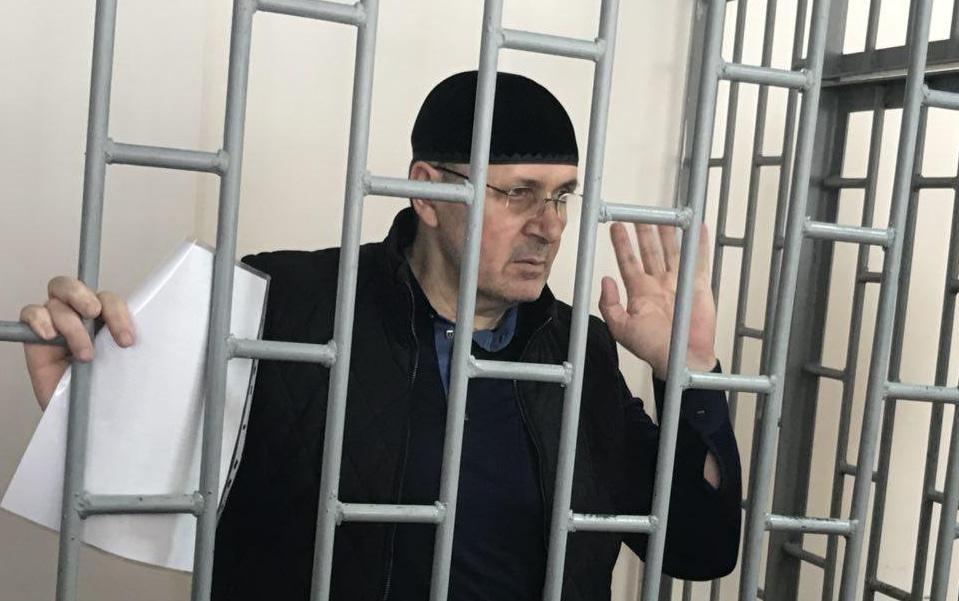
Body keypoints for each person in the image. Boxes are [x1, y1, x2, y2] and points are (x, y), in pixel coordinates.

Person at [20, 70, 742, 600]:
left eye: (561, 195)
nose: (548, 225)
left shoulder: (577, 350)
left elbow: (697, 547)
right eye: (517, 192)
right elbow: (141, 488)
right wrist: (84, 394)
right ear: (428, 189)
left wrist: (691, 371)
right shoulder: (283, 305)